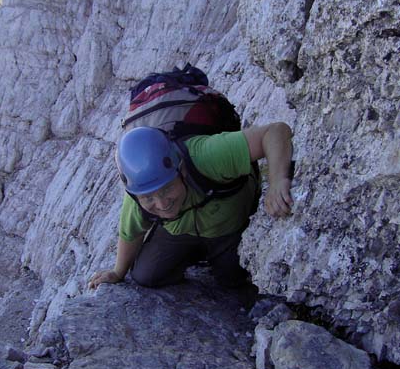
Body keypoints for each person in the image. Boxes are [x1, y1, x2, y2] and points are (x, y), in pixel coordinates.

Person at [89, 122, 293, 290]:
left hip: (228, 229)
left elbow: (275, 131)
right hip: (182, 232)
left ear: (182, 171)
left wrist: (277, 181)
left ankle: (218, 262)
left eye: (167, 188)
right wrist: (117, 273)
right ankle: (201, 257)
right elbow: (130, 234)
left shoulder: (206, 156)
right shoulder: (137, 194)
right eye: (149, 198)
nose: (161, 204)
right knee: (145, 276)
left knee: (234, 284)